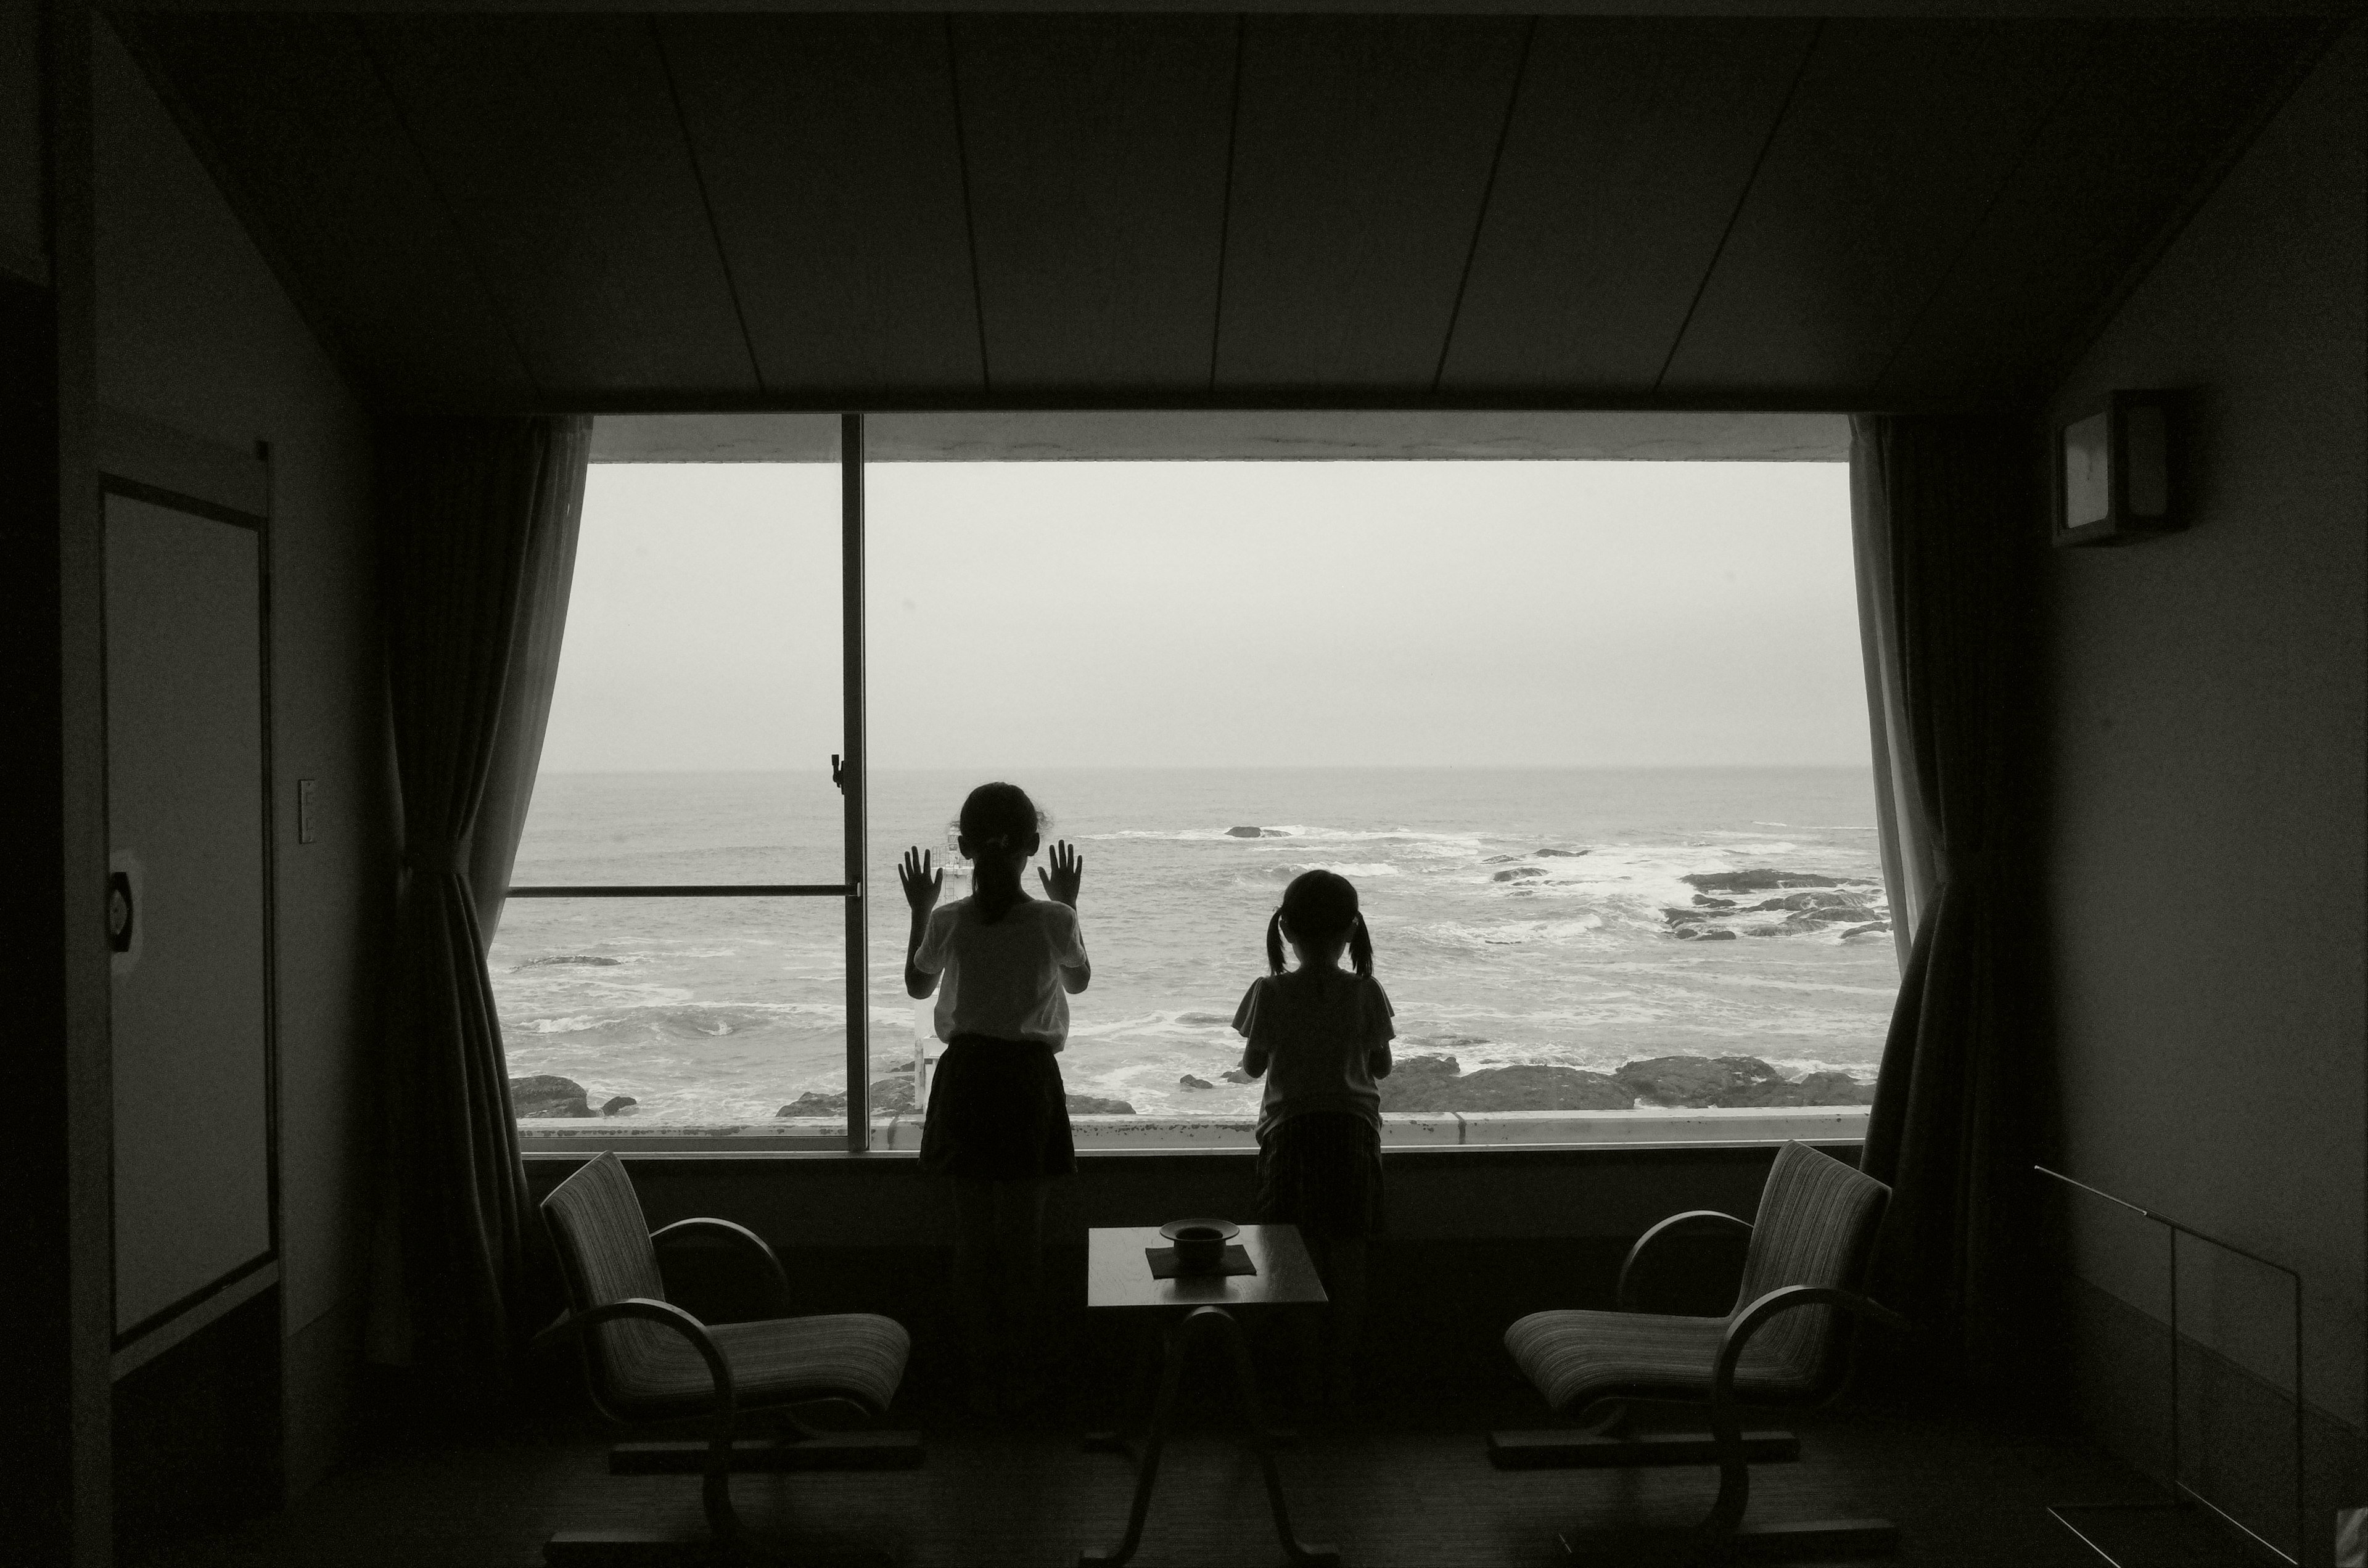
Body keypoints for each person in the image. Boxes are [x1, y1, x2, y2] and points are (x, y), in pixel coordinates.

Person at [900, 781, 1090, 1417]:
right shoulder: (1053, 918)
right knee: (1025, 1241)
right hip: (1028, 1081)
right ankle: (1023, 1377)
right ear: (1034, 846)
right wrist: (1069, 901)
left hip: (967, 1079)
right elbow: (1080, 980)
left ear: (963, 845)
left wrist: (920, 907)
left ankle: (978, 1377)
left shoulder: (948, 918)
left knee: (973, 1240)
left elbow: (917, 986)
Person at [1231, 868, 1392, 1408]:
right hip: (1351, 1134)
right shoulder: (1366, 991)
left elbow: (1254, 1067)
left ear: (1286, 930)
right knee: (1348, 1261)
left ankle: (1300, 1383)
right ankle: (1342, 1378)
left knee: (1292, 1263)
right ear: (1351, 931)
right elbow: (1383, 1065)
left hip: (1290, 1137)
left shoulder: (1269, 991)